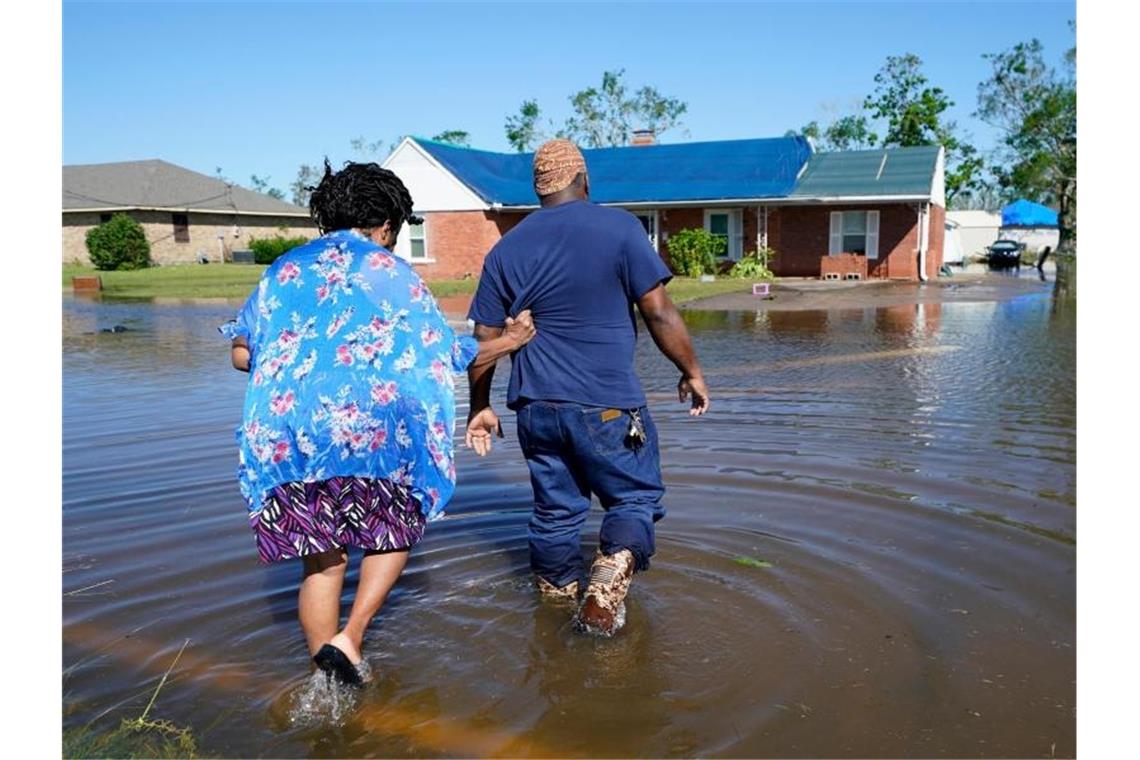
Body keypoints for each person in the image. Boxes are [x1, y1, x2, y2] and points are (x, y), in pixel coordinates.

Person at [220, 160, 535, 686]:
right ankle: (352, 637)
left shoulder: (283, 271)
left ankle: (323, 679)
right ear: (387, 224)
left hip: (294, 440)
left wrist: (303, 362)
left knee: (321, 561)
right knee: (392, 531)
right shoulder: (393, 274)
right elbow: (443, 353)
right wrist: (512, 339)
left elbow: (241, 354)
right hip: (376, 437)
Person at [465, 139, 709, 637]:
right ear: (584, 181)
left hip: (536, 408)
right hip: (607, 405)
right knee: (634, 499)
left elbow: (485, 339)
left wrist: (479, 406)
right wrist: (692, 371)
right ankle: (609, 576)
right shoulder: (619, 228)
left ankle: (556, 606)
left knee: (555, 514)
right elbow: (658, 310)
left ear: (538, 190)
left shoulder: (505, 248)